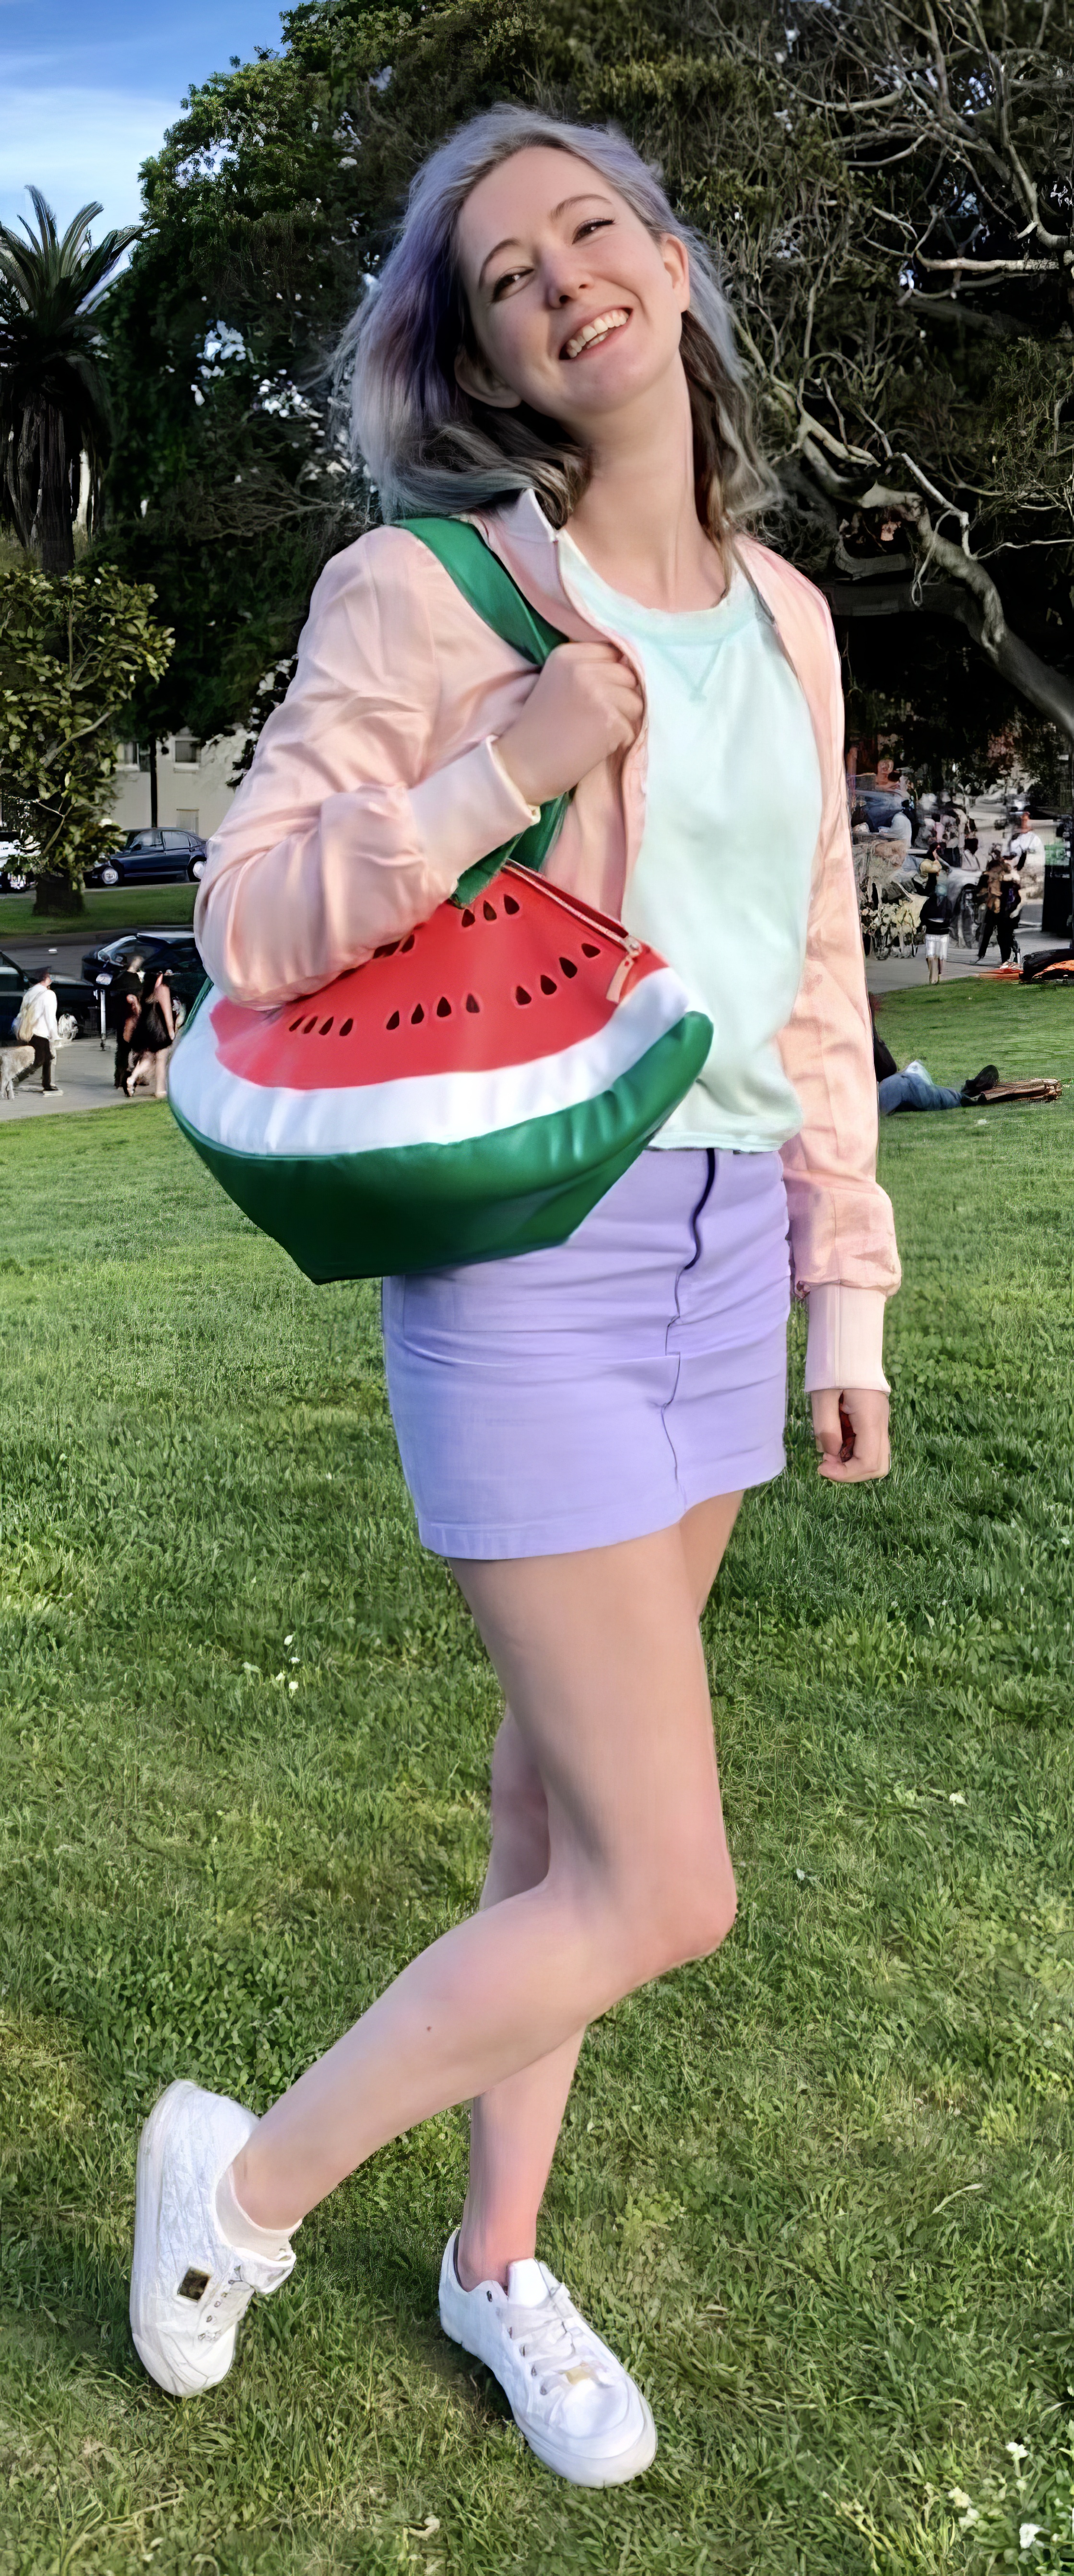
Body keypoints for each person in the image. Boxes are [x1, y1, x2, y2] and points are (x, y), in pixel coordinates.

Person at [129, 108, 900, 2486]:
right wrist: (502, 767)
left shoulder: (785, 616)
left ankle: (494, 2267)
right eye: (502, 274)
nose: (564, 278)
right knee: (665, 1885)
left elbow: (816, 977)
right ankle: (239, 2184)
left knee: (549, 1839)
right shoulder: (427, 593)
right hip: (531, 1265)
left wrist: (840, 1292)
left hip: (712, 1271)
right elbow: (246, 921)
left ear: (671, 261)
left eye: (594, 228)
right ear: (472, 354)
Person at [125, 964, 174, 1098]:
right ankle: (160, 1090)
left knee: (148, 1057)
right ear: (159, 977)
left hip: (145, 1029)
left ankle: (133, 1077)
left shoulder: (145, 991)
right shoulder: (162, 988)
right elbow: (167, 1012)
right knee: (161, 1058)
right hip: (159, 1030)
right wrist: (171, 1032)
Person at [14, 969, 63, 1095]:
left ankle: (47, 1084)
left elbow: (22, 1013)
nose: (51, 980)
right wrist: (54, 1035)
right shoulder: (49, 994)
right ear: (43, 979)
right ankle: (15, 1078)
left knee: (47, 1057)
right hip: (40, 1032)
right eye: (48, 978)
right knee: (39, 1060)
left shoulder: (29, 993)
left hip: (25, 1031)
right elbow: (50, 1016)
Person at [977, 852, 1020, 962]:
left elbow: (1015, 897)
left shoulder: (1008, 881)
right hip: (995, 910)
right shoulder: (989, 879)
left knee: (1003, 937)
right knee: (991, 933)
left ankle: (1005, 959)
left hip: (1004, 912)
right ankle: (984, 955)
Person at [113, 953, 144, 1092]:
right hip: (132, 1020)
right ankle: (135, 1077)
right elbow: (136, 1001)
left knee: (122, 1050)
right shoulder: (134, 982)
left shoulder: (119, 978)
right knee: (137, 1049)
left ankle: (119, 1078)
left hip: (121, 1019)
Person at [919, 871, 950, 982]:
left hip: (932, 932)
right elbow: (953, 915)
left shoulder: (929, 902)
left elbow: (922, 915)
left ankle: (934, 976)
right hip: (942, 932)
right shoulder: (948, 902)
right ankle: (938, 973)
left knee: (932, 956)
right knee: (941, 956)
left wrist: (924, 923)